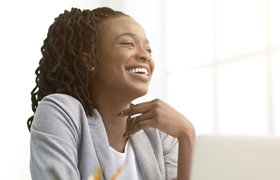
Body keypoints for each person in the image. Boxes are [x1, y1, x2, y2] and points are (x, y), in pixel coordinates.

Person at [27, 7, 196, 180]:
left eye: (148, 49)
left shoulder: (157, 132)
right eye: (128, 43)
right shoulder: (60, 111)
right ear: (89, 60)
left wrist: (187, 135)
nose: (145, 56)